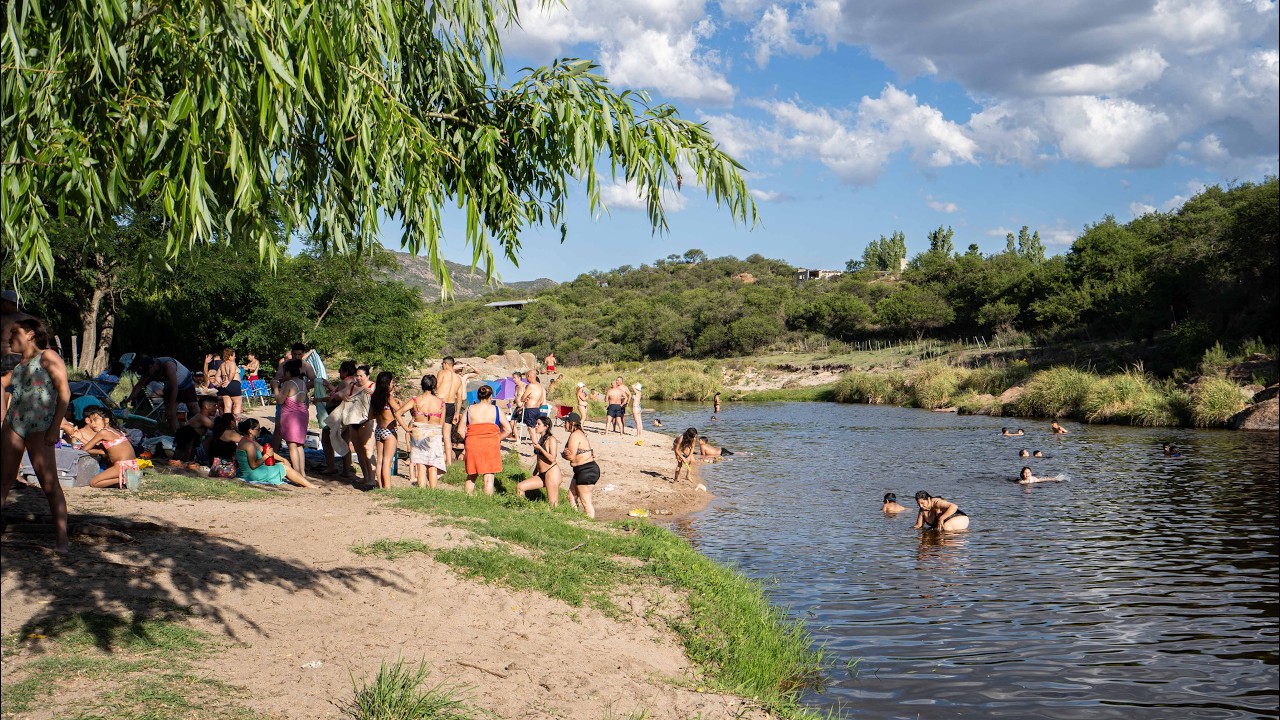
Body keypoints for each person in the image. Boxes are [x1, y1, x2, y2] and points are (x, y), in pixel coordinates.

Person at [0, 316, 71, 552]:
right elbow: (1, 383)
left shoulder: (48, 357)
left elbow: (64, 393)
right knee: (4, 479)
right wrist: (2, 415)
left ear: (30, 334)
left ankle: (62, 540)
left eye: (14, 333)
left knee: (49, 483)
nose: (10, 338)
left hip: (41, 426)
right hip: (14, 425)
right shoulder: (19, 366)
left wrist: (55, 428)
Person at [459, 384, 509, 495]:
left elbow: (460, 430)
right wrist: (497, 439)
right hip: (490, 443)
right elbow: (508, 430)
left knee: (472, 474)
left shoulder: (469, 409)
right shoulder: (496, 409)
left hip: (472, 443)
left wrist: (468, 440)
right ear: (490, 396)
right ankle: (487, 502)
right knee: (489, 475)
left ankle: (467, 498)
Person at [126, 356, 198, 432]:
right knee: (170, 414)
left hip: (185, 382)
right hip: (170, 386)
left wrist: (171, 406)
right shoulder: (148, 370)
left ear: (152, 366)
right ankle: (177, 435)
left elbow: (175, 388)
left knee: (193, 407)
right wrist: (129, 399)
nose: (146, 374)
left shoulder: (168, 365)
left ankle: (203, 430)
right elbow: (139, 385)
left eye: (147, 372)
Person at [235, 418, 314, 487]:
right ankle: (309, 485)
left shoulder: (248, 440)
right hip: (253, 474)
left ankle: (302, 483)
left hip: (248, 473)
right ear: (250, 431)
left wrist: (283, 459)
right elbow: (253, 465)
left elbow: (264, 449)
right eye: (258, 429)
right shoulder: (249, 445)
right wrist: (266, 456)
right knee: (284, 468)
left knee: (283, 464)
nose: (260, 431)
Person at [402, 375, 446, 489]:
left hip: (419, 432)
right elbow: (441, 423)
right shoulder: (441, 403)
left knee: (420, 464)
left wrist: (406, 428)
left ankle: (422, 490)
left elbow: (398, 412)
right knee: (433, 464)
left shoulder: (416, 400)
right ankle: (433, 490)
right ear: (434, 386)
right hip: (434, 433)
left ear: (422, 385)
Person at [79, 406, 139, 488]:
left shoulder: (103, 432)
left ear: (106, 420)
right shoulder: (115, 431)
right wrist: (80, 438)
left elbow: (85, 449)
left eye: (95, 420)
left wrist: (96, 451)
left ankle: (123, 479)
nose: (93, 424)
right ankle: (126, 478)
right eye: (91, 421)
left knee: (93, 483)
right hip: (132, 464)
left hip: (121, 465)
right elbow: (97, 447)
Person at [274, 359, 311, 484]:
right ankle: (302, 473)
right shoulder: (302, 382)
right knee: (300, 445)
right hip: (302, 414)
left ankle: (296, 474)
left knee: (292, 445)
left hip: (291, 416)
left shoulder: (288, 384)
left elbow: (280, 400)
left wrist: (275, 387)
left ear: (288, 372)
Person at [368, 371, 406, 490]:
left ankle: (380, 485)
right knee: (387, 461)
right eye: (392, 382)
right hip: (390, 431)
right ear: (387, 383)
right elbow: (400, 411)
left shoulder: (375, 396)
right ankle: (388, 487)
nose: (393, 384)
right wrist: (400, 403)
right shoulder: (388, 397)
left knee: (379, 460)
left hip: (379, 429)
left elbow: (370, 416)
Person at [0, 290, 34, 422]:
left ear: (8, 303)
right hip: (12, 361)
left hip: (16, 361)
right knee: (7, 392)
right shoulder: (29, 319)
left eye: (2, 302)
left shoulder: (27, 320)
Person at [516, 415, 562, 506]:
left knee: (553, 504)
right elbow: (540, 459)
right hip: (542, 474)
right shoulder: (541, 438)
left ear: (546, 426)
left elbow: (552, 459)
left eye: (538, 424)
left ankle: (557, 518)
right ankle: (520, 508)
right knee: (520, 487)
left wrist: (540, 448)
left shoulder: (551, 439)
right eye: (536, 423)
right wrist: (534, 472)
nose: (536, 425)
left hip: (552, 473)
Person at [561, 413, 598, 518]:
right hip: (581, 470)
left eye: (565, 422)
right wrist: (565, 453)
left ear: (571, 423)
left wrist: (564, 454)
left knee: (586, 501)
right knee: (571, 496)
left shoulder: (575, 435)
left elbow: (571, 457)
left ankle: (590, 524)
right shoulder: (577, 433)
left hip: (586, 470)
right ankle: (576, 517)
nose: (564, 424)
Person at [435, 357, 468, 464]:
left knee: (436, 432)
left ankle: (436, 459)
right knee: (447, 435)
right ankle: (449, 462)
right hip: (451, 405)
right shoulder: (458, 378)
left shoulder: (442, 373)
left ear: (445, 364)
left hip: (440, 404)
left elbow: (436, 387)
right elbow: (459, 398)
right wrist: (457, 413)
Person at [172, 396, 219, 465]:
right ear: (206, 406)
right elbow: (217, 427)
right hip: (186, 446)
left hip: (194, 445)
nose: (216, 408)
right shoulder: (201, 417)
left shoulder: (207, 417)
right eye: (214, 405)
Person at [205, 348, 244, 417]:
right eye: (233, 355)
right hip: (233, 384)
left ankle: (226, 423)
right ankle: (236, 423)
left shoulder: (222, 365)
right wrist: (228, 381)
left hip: (225, 386)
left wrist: (221, 382)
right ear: (229, 356)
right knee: (237, 405)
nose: (235, 357)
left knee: (227, 407)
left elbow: (217, 376)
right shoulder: (232, 363)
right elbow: (232, 372)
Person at [517, 369, 546, 447]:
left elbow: (522, 398)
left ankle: (537, 449)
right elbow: (541, 400)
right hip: (537, 409)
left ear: (529, 376)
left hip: (530, 410)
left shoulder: (531, 386)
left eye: (526, 377)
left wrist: (524, 398)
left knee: (531, 430)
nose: (526, 379)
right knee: (536, 430)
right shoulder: (539, 386)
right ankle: (539, 447)